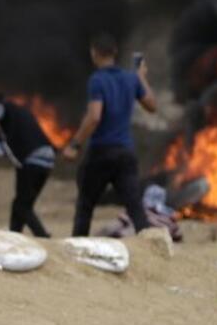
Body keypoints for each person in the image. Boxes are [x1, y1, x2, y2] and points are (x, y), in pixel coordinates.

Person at [62, 33, 157, 237]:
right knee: (135, 207)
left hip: (101, 152)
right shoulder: (131, 79)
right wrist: (141, 78)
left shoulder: (97, 80)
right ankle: (150, 246)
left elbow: (94, 116)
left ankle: (77, 249)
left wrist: (75, 144)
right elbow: (152, 106)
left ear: (94, 54)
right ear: (115, 52)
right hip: (125, 152)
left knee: (85, 206)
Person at [0, 94, 55, 238]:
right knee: (21, 203)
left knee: (22, 205)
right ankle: (14, 235)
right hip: (46, 158)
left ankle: (42, 236)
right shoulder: (17, 112)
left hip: (32, 159)